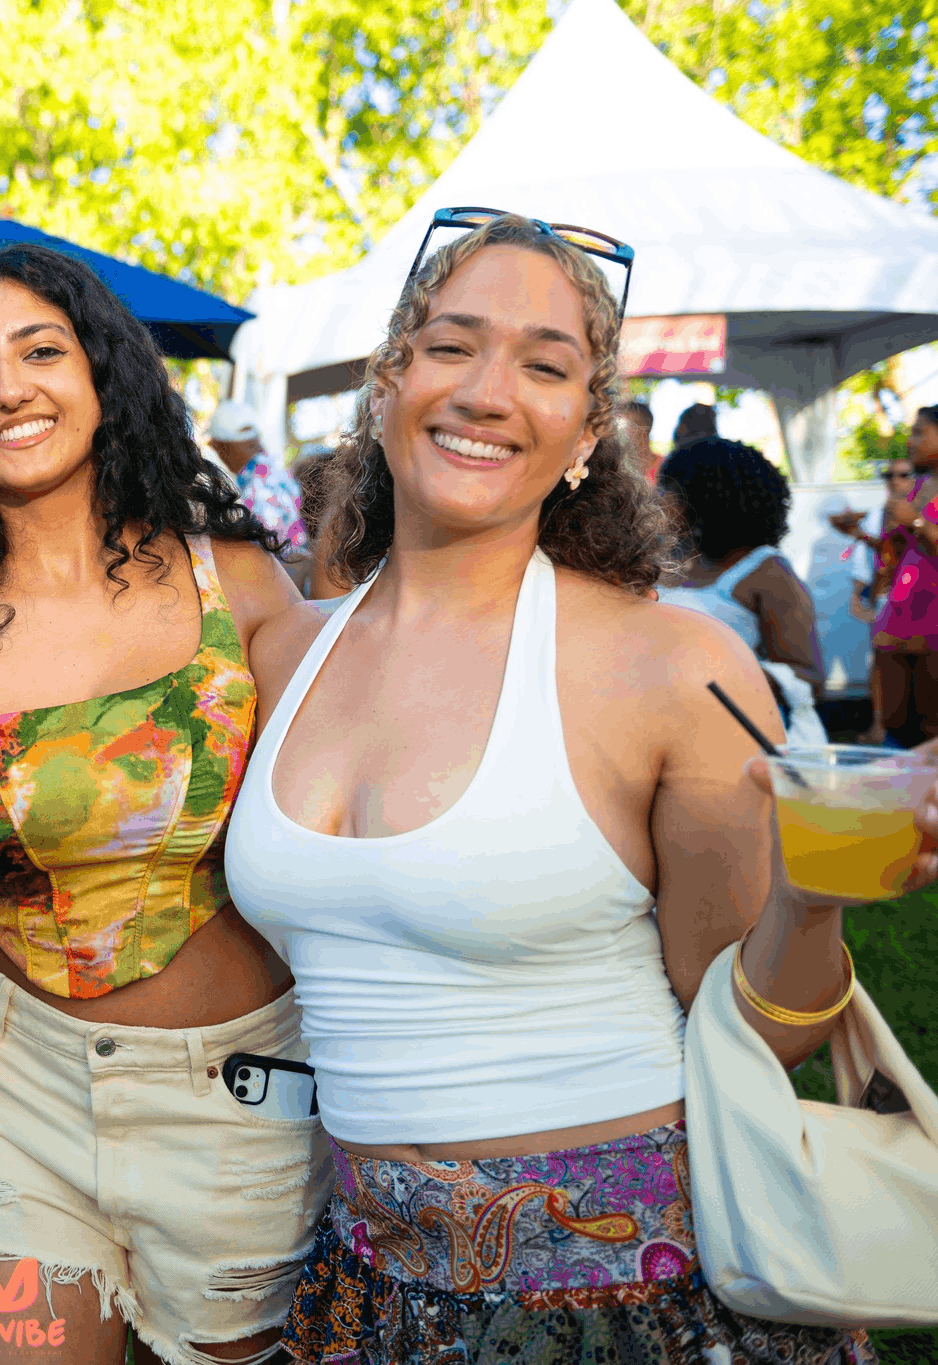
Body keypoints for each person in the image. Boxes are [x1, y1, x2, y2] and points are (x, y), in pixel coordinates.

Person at [230, 212, 873, 1364]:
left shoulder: (669, 666)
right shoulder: (280, 653)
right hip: (364, 1282)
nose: (486, 391)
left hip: (628, 1291)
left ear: (585, 432)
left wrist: (814, 896)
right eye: (450, 346)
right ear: (386, 386)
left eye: (542, 364)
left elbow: (750, 1034)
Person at [0, 243, 324, 1365]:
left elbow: (335, 818)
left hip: (232, 1100)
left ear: (103, 370)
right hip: (4, 1090)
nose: (8, 389)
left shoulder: (235, 582)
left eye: (40, 352)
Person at [659, 438, 827, 743]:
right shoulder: (667, 562)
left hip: (739, 740)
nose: (656, 498)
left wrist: (720, 677)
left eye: (666, 488)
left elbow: (809, 676)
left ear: (703, 497)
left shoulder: (766, 570)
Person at [835, 407, 938, 746]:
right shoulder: (916, 489)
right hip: (901, 616)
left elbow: (920, 534)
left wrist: (916, 522)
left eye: (920, 432)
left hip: (933, 621)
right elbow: (894, 552)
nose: (910, 440)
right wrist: (859, 534)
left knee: (931, 728)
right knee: (896, 723)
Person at [209, 399, 306, 553]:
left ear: (229, 446)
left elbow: (269, 549)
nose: (220, 456)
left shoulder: (257, 485)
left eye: (218, 448)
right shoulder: (275, 472)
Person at [618, 397, 656, 480]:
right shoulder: (615, 465)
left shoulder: (665, 467)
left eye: (624, 424)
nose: (618, 430)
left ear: (643, 429)